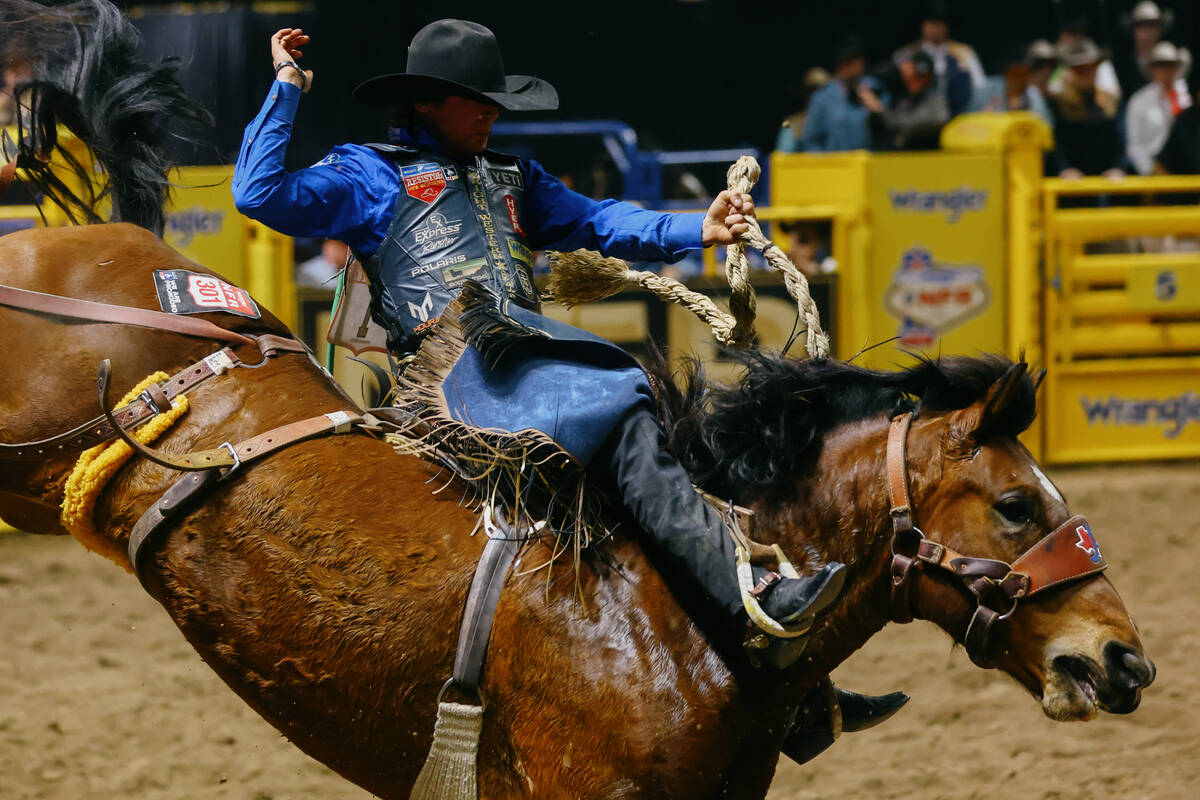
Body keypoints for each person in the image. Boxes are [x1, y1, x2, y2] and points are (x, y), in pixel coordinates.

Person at [1048, 38, 1125, 179]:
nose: (1084, 73)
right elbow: (1055, 142)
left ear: (1096, 67)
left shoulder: (1111, 100)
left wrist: (1117, 167)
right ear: (1070, 70)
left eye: (1088, 67)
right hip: (1071, 179)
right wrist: (1064, 168)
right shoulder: (1058, 102)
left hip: (1107, 178)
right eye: (1078, 69)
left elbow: (1121, 138)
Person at [892, 1, 982, 115]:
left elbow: (979, 87)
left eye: (941, 23)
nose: (936, 28)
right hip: (916, 116)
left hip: (956, 113)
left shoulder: (963, 53)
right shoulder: (906, 54)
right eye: (932, 23)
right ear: (923, 25)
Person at [800, 37, 877, 152]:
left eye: (856, 62)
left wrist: (877, 108)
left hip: (869, 165)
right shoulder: (822, 97)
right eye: (846, 63)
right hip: (835, 166)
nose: (851, 69)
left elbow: (888, 129)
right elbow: (811, 141)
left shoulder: (875, 89)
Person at [1126, 42, 1192, 175]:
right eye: (1161, 66)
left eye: (1170, 66)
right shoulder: (1139, 101)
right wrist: (1151, 170)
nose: (1166, 71)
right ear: (1153, 69)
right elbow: (1134, 144)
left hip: (1188, 170)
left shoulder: (1187, 98)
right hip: (1154, 170)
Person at [862, 51, 950, 151]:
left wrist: (880, 109)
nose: (916, 81)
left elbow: (915, 122)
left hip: (925, 157)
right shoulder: (903, 98)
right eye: (914, 75)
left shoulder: (936, 100)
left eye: (921, 77)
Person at [1116, 1, 1191, 96]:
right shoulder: (1122, 63)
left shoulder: (1174, 55)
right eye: (1142, 26)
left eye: (1152, 26)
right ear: (1133, 30)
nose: (1148, 33)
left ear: (1160, 29)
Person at [1049, 17, 1123, 100]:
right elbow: (1053, 91)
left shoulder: (1100, 62)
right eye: (1072, 33)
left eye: (1079, 32)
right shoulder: (1058, 67)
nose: (1076, 38)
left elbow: (1114, 97)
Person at [775, 66, 829, 152]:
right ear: (806, 95)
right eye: (813, 92)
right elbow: (782, 157)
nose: (819, 98)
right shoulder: (790, 123)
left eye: (825, 93)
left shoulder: (837, 121)